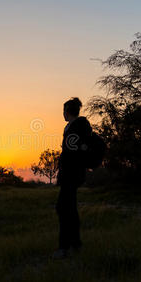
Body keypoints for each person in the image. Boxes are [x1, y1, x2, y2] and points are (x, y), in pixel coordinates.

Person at [52, 97, 92, 259]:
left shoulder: (75, 128)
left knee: (63, 209)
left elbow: (70, 155)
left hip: (71, 175)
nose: (62, 113)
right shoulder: (80, 127)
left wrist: (63, 172)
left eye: (63, 110)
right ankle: (76, 244)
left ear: (67, 111)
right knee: (70, 210)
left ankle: (64, 248)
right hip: (74, 174)